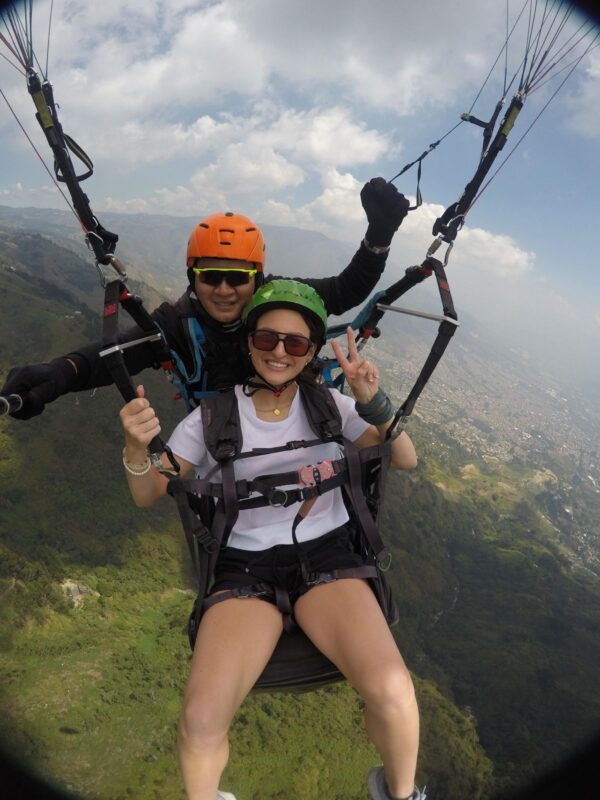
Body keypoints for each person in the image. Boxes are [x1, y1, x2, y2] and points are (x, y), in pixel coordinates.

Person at [119, 279, 424, 800]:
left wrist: (373, 402)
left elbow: (402, 457)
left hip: (328, 557)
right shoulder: (212, 418)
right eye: (267, 340)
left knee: (394, 692)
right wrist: (134, 445)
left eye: (296, 343)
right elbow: (151, 491)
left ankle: (400, 794)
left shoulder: (331, 405)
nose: (280, 352)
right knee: (200, 720)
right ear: (250, 344)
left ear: (309, 353)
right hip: (244, 568)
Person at [1, 178, 409, 417]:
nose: (225, 290)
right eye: (210, 277)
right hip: (223, 433)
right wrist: (60, 373)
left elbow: (346, 290)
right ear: (192, 278)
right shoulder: (177, 324)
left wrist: (379, 237)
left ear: (259, 278)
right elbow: (114, 354)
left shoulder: (280, 300)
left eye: (237, 277)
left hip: (291, 417)